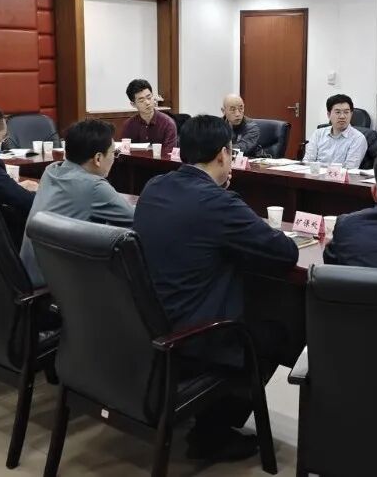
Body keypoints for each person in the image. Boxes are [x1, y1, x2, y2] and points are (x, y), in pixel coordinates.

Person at [133, 115, 298, 463]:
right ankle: (212, 432)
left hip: (149, 322)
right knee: (283, 332)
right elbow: (285, 252)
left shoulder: (155, 186)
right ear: (224, 154)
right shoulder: (218, 202)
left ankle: (208, 413)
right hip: (194, 334)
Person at [19, 120, 134, 288]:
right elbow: (136, 219)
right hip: (56, 286)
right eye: (113, 153)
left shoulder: (51, 170)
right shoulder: (93, 186)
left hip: (30, 274)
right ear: (98, 158)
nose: (114, 158)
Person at [302, 94, 368, 169]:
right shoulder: (318, 134)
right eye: (338, 112)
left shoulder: (358, 138)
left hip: (340, 176)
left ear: (351, 114)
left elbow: (350, 169)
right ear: (329, 115)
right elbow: (307, 162)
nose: (342, 116)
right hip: (314, 175)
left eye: (346, 112)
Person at [121, 78, 178, 149]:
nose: (147, 103)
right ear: (133, 104)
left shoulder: (168, 124)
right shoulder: (128, 125)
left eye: (149, 97)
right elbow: (125, 152)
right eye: (141, 100)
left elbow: (169, 153)